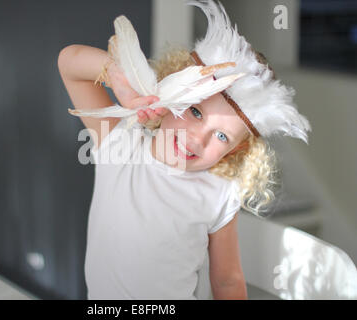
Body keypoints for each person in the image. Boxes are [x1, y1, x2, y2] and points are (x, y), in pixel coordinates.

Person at [58, 0, 311, 300]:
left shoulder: (219, 193)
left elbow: (228, 280)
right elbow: (69, 63)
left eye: (220, 135)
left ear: (235, 150)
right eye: (195, 112)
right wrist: (114, 73)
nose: (197, 139)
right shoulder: (120, 142)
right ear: (170, 89)